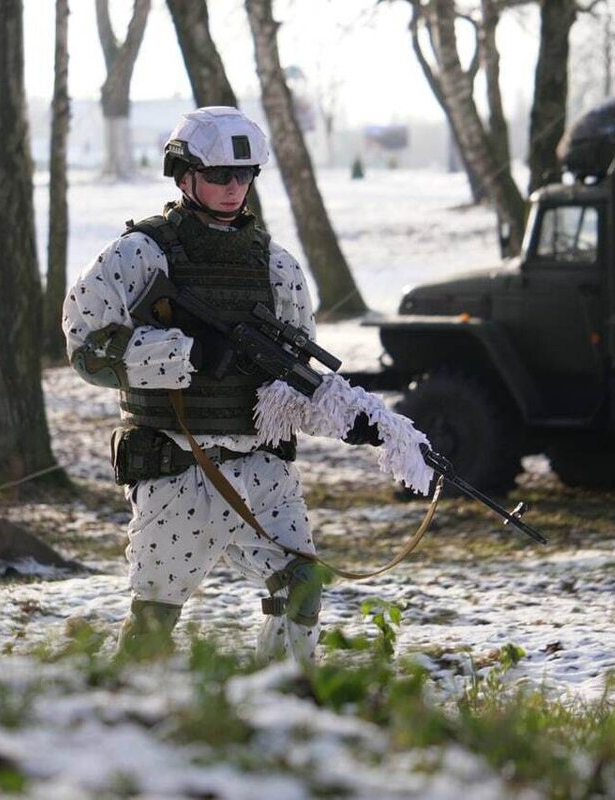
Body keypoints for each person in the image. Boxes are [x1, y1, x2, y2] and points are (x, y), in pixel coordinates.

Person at [63, 107, 431, 662]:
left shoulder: (276, 267)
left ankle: (281, 698)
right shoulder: (140, 254)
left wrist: (356, 424)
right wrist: (184, 354)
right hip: (178, 467)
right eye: (219, 176)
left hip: (261, 468)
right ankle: (126, 716)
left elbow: (287, 387)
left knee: (302, 585)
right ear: (184, 176)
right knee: (155, 619)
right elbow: (84, 344)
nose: (234, 188)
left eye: (245, 175)